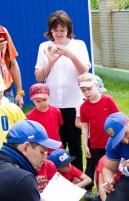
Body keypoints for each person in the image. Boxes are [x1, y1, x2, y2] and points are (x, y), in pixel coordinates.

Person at [35, 10, 91, 172]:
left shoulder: (78, 45)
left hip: (74, 103)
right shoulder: (44, 47)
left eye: (62, 30)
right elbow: (39, 76)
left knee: (74, 143)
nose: (59, 34)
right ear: (50, 31)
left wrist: (71, 56)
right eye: (55, 30)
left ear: (68, 30)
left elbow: (85, 73)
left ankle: (79, 178)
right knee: (55, 143)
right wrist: (51, 61)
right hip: (52, 105)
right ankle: (55, 177)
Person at [78, 73, 120, 201]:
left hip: (110, 142)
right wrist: (85, 145)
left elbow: (118, 119)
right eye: (83, 90)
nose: (86, 93)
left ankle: (112, 188)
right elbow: (85, 127)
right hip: (94, 143)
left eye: (89, 89)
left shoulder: (108, 100)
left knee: (110, 166)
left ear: (97, 86)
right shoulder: (83, 107)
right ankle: (90, 189)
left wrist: (119, 139)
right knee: (92, 167)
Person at [26, 83, 63, 153]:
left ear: (49, 97)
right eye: (38, 101)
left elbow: (58, 126)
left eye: (44, 100)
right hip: (41, 149)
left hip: (56, 146)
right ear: (33, 101)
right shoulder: (30, 117)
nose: (42, 103)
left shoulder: (56, 111)